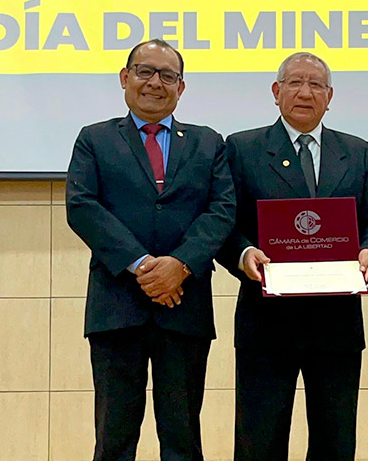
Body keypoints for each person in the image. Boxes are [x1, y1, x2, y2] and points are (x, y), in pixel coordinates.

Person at [214, 52, 368, 461]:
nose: (305, 92)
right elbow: (224, 221)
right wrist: (243, 255)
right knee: (260, 440)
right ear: (276, 93)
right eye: (295, 83)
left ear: (330, 97)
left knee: (335, 440)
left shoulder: (356, 150)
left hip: (336, 323)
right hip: (267, 321)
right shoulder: (242, 148)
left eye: (316, 85)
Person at [65, 38, 236, 461]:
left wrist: (179, 265)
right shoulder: (95, 139)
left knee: (182, 436)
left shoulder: (208, 142)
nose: (155, 83)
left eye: (168, 75)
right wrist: (144, 267)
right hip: (117, 306)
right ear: (125, 78)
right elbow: (82, 206)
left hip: (185, 305)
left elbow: (222, 209)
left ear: (182, 87)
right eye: (145, 71)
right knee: (114, 436)